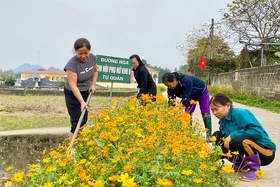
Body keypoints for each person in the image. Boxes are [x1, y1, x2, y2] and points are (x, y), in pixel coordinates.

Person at [210, 93, 276, 181]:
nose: (215, 113)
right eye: (212, 110)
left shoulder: (240, 113)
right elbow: (225, 143)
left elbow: (257, 132)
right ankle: (240, 164)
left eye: (216, 109)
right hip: (247, 149)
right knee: (217, 136)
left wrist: (232, 135)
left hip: (265, 153)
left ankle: (255, 169)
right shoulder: (223, 121)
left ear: (228, 105)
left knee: (238, 139)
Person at [64, 38, 98, 138]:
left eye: (86, 53)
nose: (83, 56)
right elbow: (73, 85)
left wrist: (93, 84)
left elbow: (95, 71)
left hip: (85, 90)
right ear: (75, 52)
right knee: (77, 121)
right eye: (80, 53)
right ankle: (72, 148)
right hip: (73, 93)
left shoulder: (93, 58)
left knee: (83, 120)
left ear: (89, 51)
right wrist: (82, 101)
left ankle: (80, 142)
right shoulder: (72, 65)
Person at [162, 72, 212, 140]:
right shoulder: (171, 89)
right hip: (190, 96)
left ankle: (209, 135)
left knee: (205, 111)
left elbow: (185, 98)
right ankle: (189, 134)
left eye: (170, 85)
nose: (169, 87)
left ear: (174, 80)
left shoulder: (186, 81)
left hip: (201, 92)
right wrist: (170, 112)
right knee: (187, 113)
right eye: (167, 86)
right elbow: (171, 101)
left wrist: (179, 108)